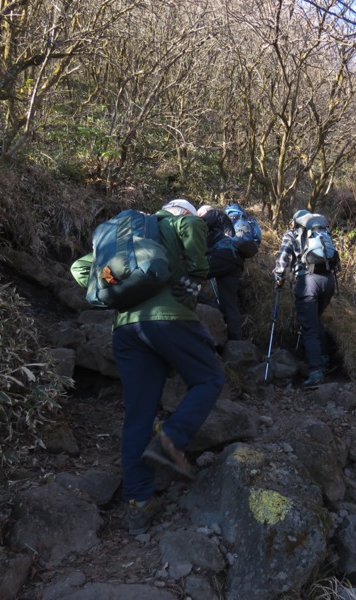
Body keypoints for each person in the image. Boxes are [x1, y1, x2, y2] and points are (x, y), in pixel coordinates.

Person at [70, 198, 224, 535]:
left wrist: (120, 289)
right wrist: (197, 273)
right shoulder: (175, 223)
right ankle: (170, 440)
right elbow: (195, 226)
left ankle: (138, 503)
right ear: (181, 210)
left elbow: (80, 268)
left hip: (126, 330)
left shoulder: (118, 239)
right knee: (209, 379)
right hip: (171, 320)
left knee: (138, 414)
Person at [273, 208, 336, 388]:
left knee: (309, 328)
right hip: (328, 281)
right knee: (314, 321)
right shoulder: (323, 232)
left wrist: (279, 277)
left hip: (308, 282)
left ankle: (316, 371)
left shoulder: (292, 234)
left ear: (295, 221)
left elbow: (283, 258)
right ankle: (324, 360)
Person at [198, 204, 245, 341]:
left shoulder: (214, 214)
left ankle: (213, 308)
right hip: (236, 262)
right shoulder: (223, 224)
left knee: (189, 276)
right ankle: (235, 342)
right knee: (229, 303)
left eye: (200, 215)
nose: (199, 217)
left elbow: (198, 225)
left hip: (223, 257)